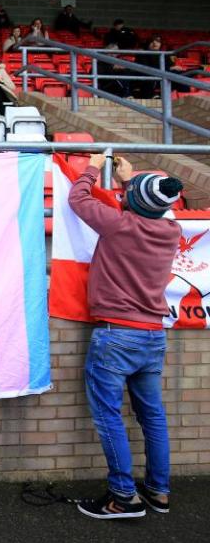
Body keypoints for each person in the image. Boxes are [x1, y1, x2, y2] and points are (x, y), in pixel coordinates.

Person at [70, 154, 182, 520]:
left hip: (117, 336)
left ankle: (123, 497)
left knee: (108, 416)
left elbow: (79, 199)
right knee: (152, 417)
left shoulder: (120, 225)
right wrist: (128, 183)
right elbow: (147, 209)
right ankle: (158, 492)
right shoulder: (170, 230)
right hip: (153, 336)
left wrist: (89, 166)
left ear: (134, 202)